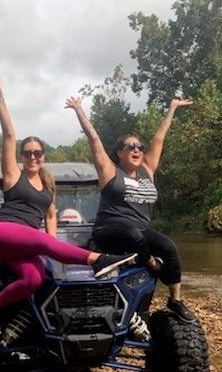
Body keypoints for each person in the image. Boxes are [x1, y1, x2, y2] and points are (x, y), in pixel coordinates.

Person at [0, 70, 136, 336]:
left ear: (43, 155)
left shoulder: (49, 183)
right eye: (27, 153)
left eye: (37, 152)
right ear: (22, 156)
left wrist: (51, 245)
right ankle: (98, 260)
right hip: (3, 231)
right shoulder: (13, 175)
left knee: (35, 278)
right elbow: (8, 136)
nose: (32, 157)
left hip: (25, 244)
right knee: (44, 243)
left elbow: (50, 214)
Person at [65, 95, 195, 322]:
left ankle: (175, 300)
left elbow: (160, 137)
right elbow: (94, 139)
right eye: (130, 146)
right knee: (132, 233)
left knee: (169, 246)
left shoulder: (147, 170)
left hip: (140, 233)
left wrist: (172, 107)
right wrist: (78, 110)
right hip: (109, 230)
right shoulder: (111, 171)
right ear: (119, 153)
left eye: (139, 147)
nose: (137, 149)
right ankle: (152, 264)